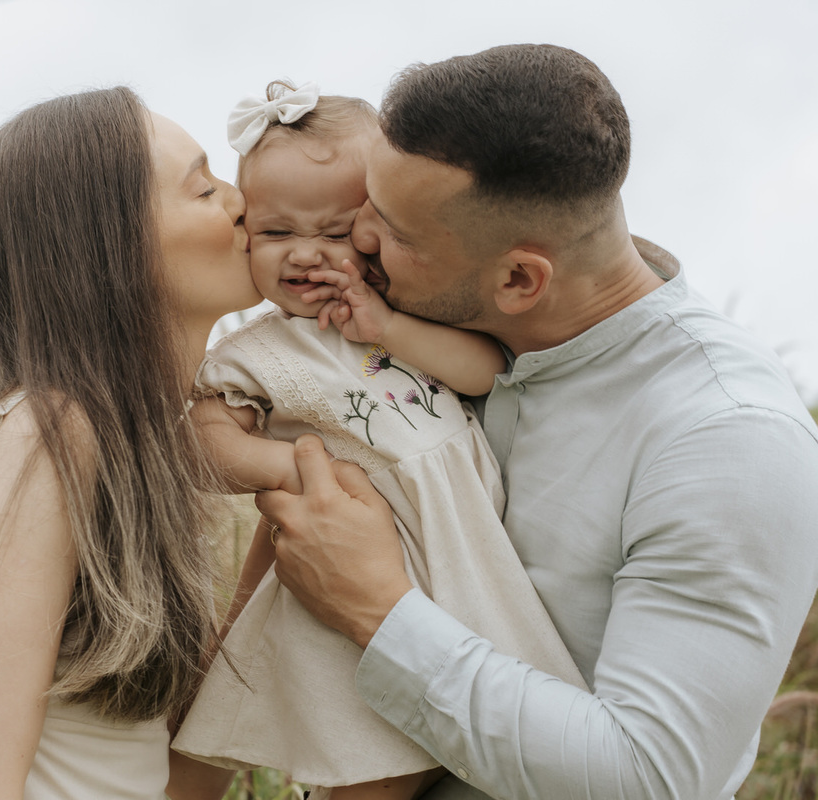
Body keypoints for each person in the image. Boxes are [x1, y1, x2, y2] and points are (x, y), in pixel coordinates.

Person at [257, 44, 818, 800]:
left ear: (520, 279)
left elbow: (648, 778)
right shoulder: (421, 336)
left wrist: (376, 609)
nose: (356, 238)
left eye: (392, 229)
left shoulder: (727, 438)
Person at [171, 82, 584, 800]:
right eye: (275, 233)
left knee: (473, 736)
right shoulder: (257, 351)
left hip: (462, 569)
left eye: (334, 233)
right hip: (349, 568)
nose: (305, 254)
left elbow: (486, 373)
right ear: (246, 232)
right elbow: (206, 446)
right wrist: (302, 468)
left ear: (374, 230)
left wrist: (386, 328)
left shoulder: (405, 319)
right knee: (369, 757)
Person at [0, 86, 262, 800]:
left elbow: (172, 779)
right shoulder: (51, 431)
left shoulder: (145, 454)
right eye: (203, 187)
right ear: (114, 247)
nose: (241, 200)